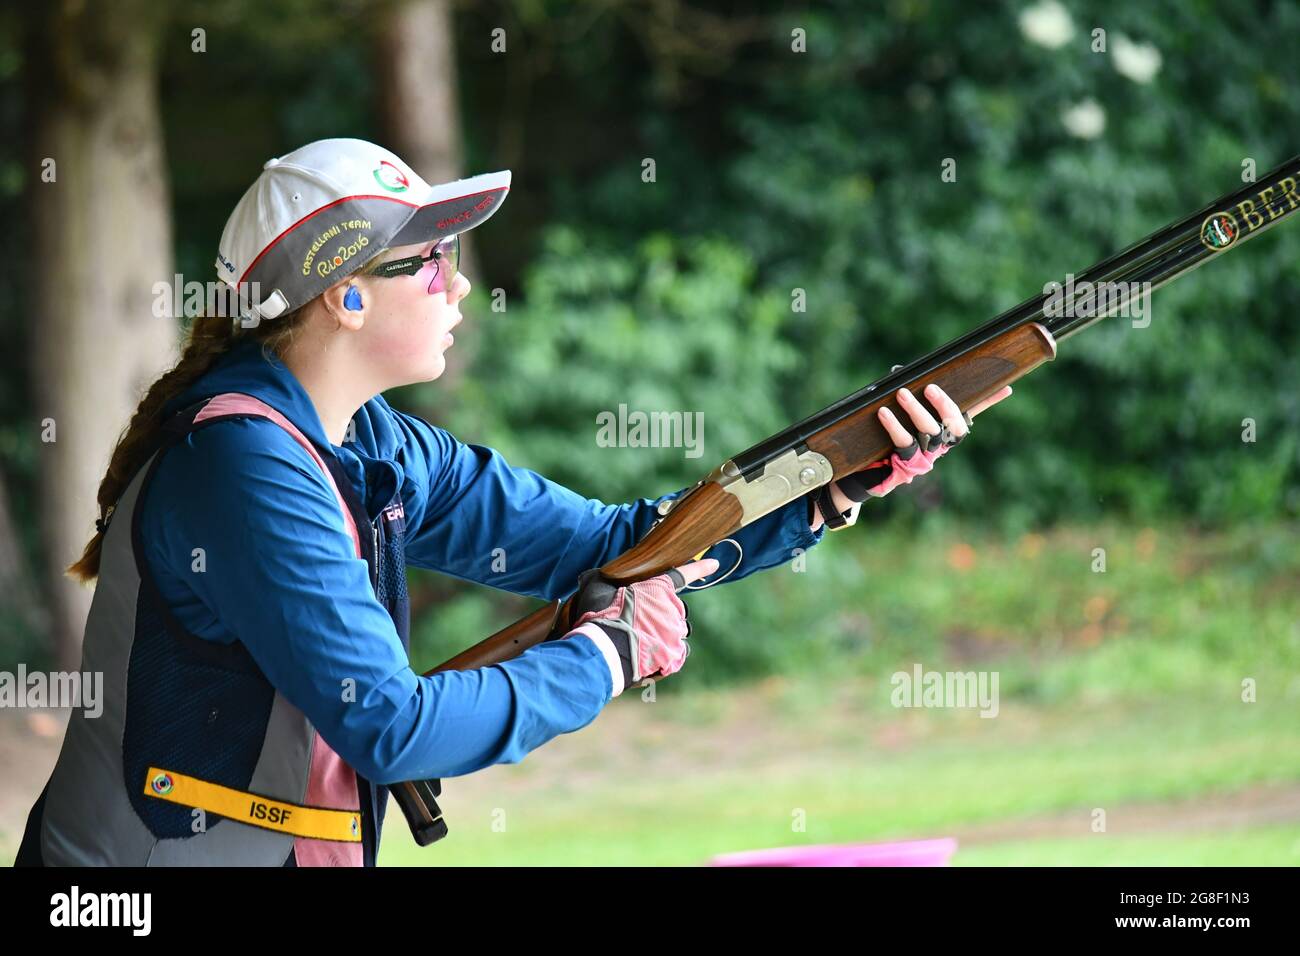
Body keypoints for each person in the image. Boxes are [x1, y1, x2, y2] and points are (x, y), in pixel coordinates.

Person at [14, 138, 1008, 867]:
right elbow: (390, 728)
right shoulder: (244, 466)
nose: (458, 285)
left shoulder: (370, 440)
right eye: (430, 260)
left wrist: (829, 484)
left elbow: (614, 545)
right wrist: (605, 655)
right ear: (344, 294)